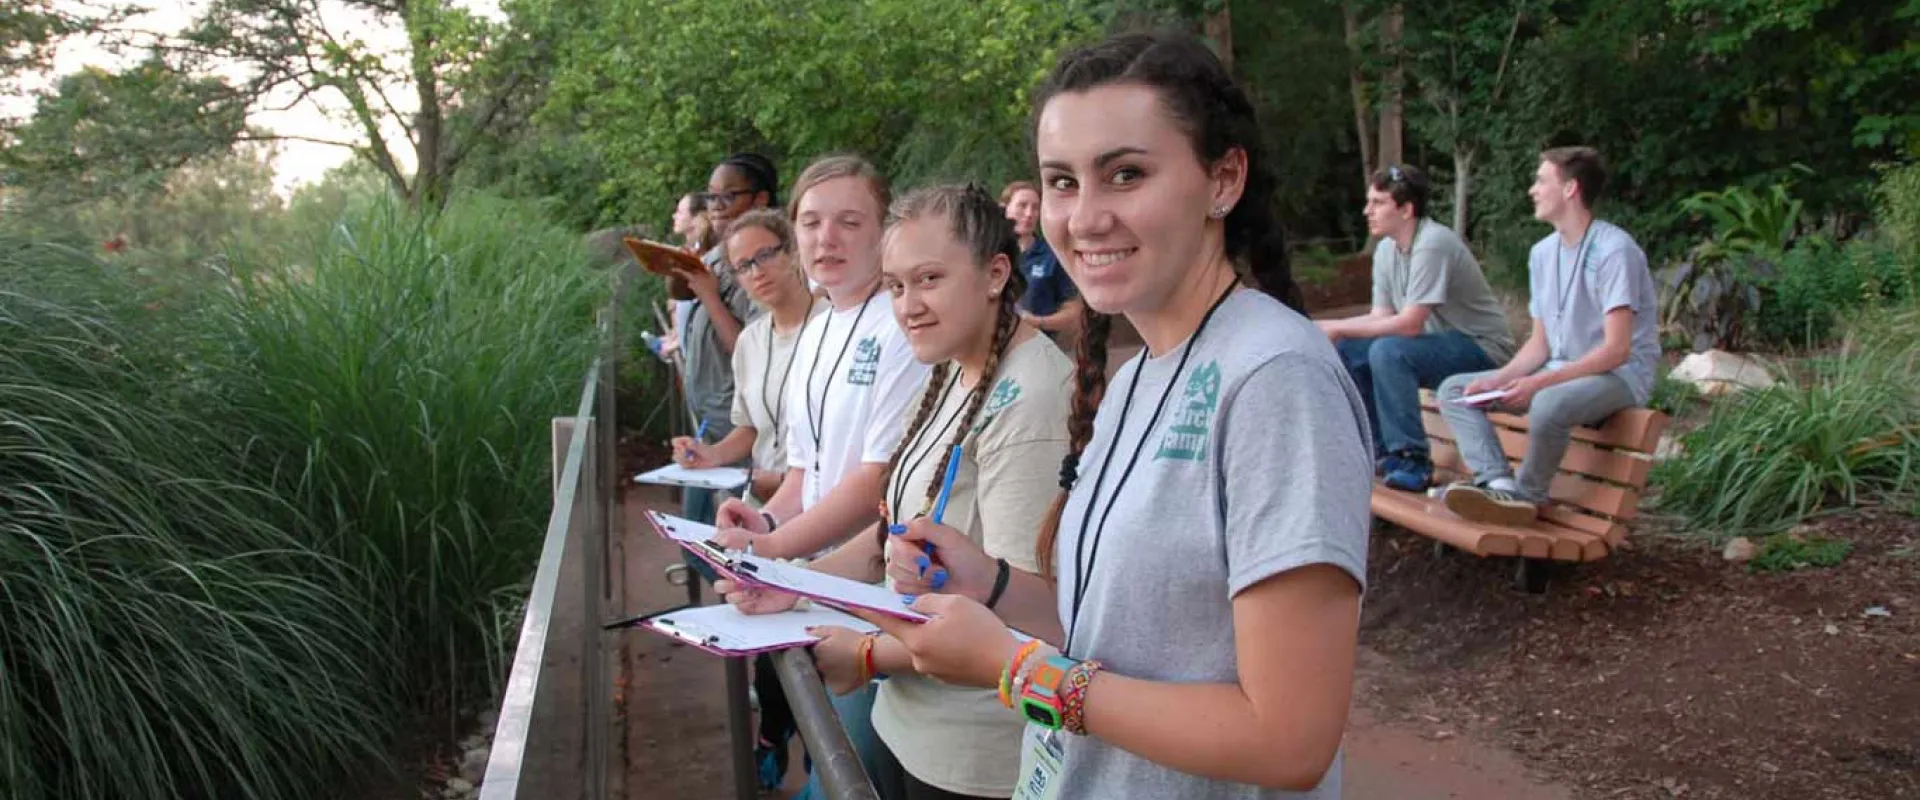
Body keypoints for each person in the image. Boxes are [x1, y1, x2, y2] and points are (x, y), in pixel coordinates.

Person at [857, 31, 1374, 800]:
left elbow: (1288, 739)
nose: (1085, 217)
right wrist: (990, 583)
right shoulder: (1139, 378)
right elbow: (1115, 633)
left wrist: (1013, 669)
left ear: (1224, 179)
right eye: (1062, 182)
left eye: (1125, 174)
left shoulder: (1276, 379)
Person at [722, 183, 1073, 800]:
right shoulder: (950, 369)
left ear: (995, 274)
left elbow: (1025, 616)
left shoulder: (1032, 400)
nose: (908, 304)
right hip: (908, 726)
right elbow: (889, 537)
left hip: (974, 757)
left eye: (930, 278)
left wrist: (865, 655)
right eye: (896, 284)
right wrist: (786, 584)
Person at [709, 155, 933, 796]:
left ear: (884, 231)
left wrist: (773, 554)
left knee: (858, 772)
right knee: (830, 755)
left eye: (848, 221)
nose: (825, 238)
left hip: (872, 596)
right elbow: (807, 466)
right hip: (812, 587)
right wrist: (768, 520)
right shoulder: (819, 326)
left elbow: (874, 483)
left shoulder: (901, 325)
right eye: (810, 222)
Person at [1436, 147, 1660, 526]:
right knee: (1457, 391)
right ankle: (1498, 483)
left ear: (1570, 188)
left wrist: (1538, 383)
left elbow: (1617, 350)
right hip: (1561, 373)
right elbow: (1539, 345)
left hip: (1618, 377)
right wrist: (1496, 380)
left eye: (1541, 180)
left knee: (1548, 403)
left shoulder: (1614, 251)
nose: (1532, 190)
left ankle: (1528, 498)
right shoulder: (1541, 253)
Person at [1315, 164, 1514, 492]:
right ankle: (1379, 453)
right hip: (1438, 347)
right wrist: (1328, 329)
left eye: (1378, 203)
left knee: (1389, 351)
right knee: (1351, 351)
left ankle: (1412, 459)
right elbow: (1381, 316)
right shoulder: (1386, 251)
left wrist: (1336, 326)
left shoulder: (1433, 244)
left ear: (1406, 210)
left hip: (1484, 350)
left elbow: (1409, 325)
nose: (1367, 211)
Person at [671, 208, 822, 504]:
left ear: (793, 252)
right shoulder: (749, 342)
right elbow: (751, 426)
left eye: (765, 255)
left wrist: (784, 480)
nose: (756, 272)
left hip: (818, 503)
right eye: (743, 266)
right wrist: (710, 454)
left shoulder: (834, 326)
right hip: (761, 502)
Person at [667, 154, 778, 525]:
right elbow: (682, 294)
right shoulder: (716, 254)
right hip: (709, 422)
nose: (716, 208)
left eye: (728, 197)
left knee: (726, 533)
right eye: (710, 197)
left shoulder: (761, 270)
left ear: (760, 200)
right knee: (696, 537)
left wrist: (712, 296)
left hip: (737, 427)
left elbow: (750, 350)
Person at [1002, 181, 1084, 346]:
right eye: (1022, 205)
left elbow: (1074, 313)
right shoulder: (989, 253)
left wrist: (1037, 322)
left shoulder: (1052, 255)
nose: (1029, 213)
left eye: (1035, 207)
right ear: (1004, 208)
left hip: (1038, 349)